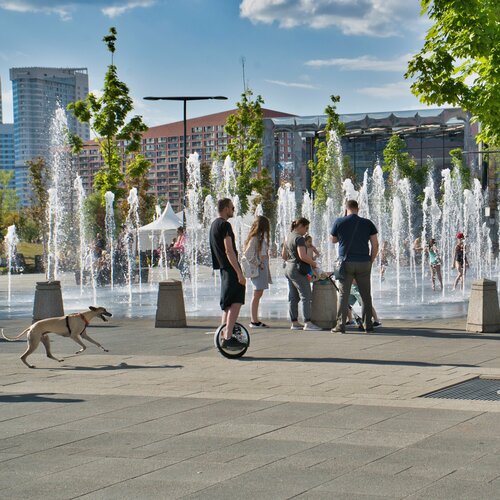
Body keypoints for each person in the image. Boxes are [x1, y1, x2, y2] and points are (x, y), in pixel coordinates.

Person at [331, 199, 379, 334]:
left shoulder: (339, 221)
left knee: (343, 294)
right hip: (364, 262)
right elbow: (375, 245)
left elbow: (333, 240)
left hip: (346, 263)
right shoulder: (367, 223)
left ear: (346, 208)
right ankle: (367, 325)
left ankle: (341, 326)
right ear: (358, 209)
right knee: (366, 296)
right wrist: (371, 260)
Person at [209, 198, 246, 349]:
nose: (233, 210)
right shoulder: (225, 225)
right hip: (231, 269)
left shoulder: (213, 225)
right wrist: (239, 273)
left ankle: (224, 334)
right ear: (225, 209)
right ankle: (228, 337)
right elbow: (229, 250)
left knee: (227, 305)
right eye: (232, 207)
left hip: (223, 269)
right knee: (236, 302)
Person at [282, 217, 321, 331]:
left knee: (293, 297)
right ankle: (307, 322)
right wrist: (314, 264)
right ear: (300, 226)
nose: (307, 231)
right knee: (306, 296)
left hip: (288, 268)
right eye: (306, 228)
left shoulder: (288, 236)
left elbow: (284, 256)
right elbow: (303, 256)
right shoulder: (299, 238)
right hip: (298, 270)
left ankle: (294, 322)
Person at [242, 215, 272, 328]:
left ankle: (255, 319)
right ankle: (254, 321)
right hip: (259, 269)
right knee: (257, 294)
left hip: (262, 268)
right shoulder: (255, 238)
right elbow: (248, 254)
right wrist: (259, 263)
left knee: (258, 294)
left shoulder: (259, 237)